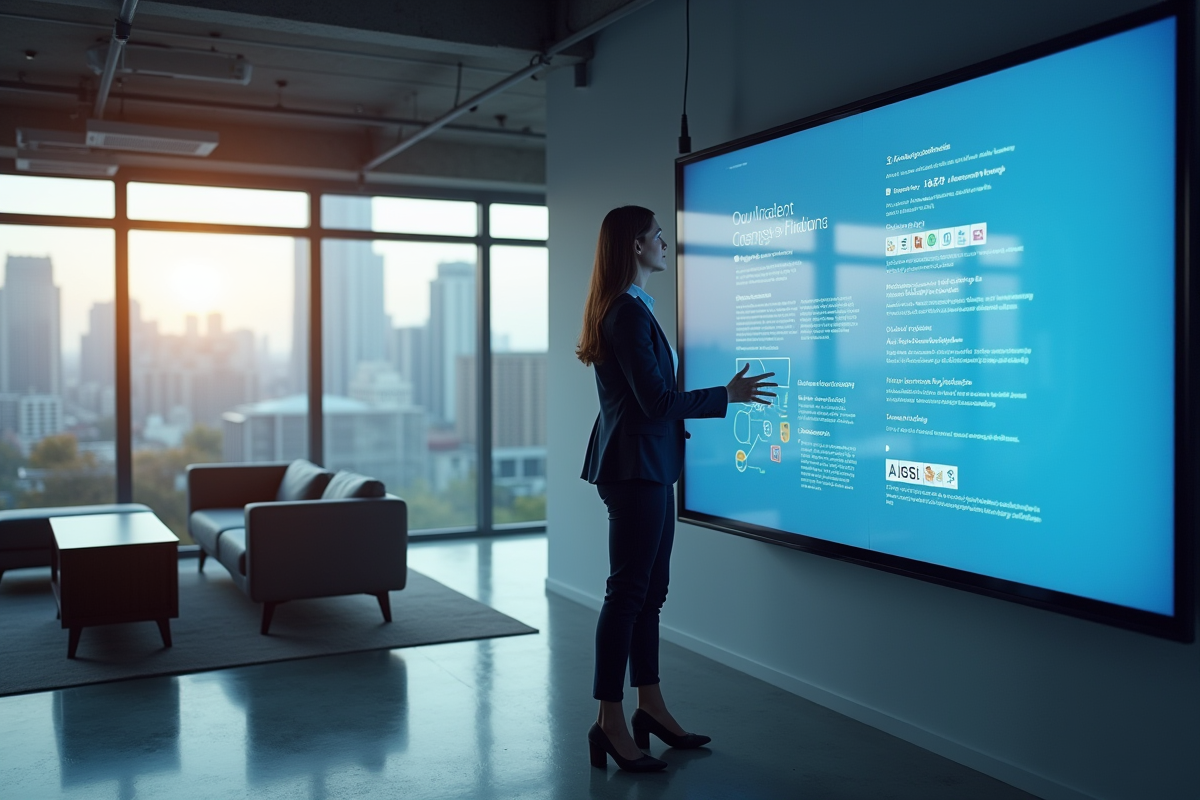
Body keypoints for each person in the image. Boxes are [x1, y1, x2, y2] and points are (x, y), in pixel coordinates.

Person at [577, 205, 777, 772]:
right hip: (636, 469)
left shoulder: (631, 310)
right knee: (627, 595)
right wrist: (726, 396)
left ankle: (651, 708)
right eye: (658, 236)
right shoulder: (627, 315)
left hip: (647, 466)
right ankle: (610, 721)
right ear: (636, 246)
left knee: (649, 594)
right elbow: (657, 403)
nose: (666, 243)